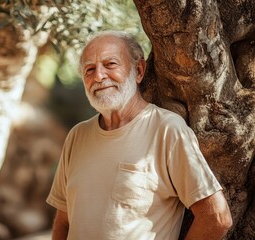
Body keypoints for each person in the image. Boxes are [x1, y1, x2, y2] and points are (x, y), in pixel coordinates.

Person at [46, 30, 233, 240]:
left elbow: (217, 217)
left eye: (110, 64)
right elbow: (64, 220)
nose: (99, 76)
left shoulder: (167, 130)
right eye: (89, 69)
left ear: (138, 71)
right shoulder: (77, 136)